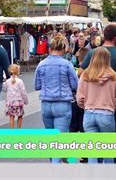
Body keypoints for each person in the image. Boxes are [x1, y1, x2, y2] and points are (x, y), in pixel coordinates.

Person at [80, 24, 116, 164]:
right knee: (112, 133)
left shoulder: (93, 53)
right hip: (111, 103)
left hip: (91, 104)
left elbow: (81, 72)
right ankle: (113, 158)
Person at [76, 47, 116, 163]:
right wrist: (114, 106)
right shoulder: (114, 77)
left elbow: (79, 97)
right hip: (106, 114)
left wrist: (85, 105)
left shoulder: (85, 75)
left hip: (89, 113)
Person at [35, 34, 78, 163]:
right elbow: (75, 85)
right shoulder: (67, 65)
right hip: (62, 104)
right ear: (63, 49)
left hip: (46, 104)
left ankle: (53, 164)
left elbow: (37, 85)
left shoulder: (41, 64)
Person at [3, 64, 28, 129]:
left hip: (10, 102)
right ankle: (18, 130)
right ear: (18, 72)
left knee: (11, 116)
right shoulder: (20, 81)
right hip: (18, 102)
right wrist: (26, 101)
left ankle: (12, 131)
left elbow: (4, 89)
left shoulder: (8, 81)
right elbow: (23, 92)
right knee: (20, 116)